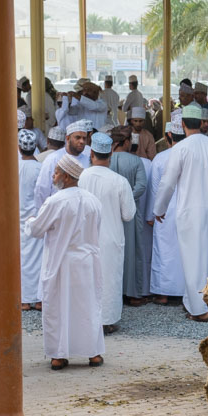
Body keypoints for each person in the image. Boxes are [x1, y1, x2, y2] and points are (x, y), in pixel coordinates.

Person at [23, 155, 106, 369]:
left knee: (58, 308)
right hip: (87, 262)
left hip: (61, 263)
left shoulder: (55, 201)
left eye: (57, 172)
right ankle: (93, 354)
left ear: (67, 177)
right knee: (88, 307)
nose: (53, 175)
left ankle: (58, 356)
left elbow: (36, 230)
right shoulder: (93, 200)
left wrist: (29, 221)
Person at [152, 104, 208, 322]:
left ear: (183, 124)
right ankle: (193, 302)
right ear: (203, 124)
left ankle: (200, 310)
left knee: (193, 261)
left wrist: (159, 208)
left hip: (190, 210)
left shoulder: (181, 148)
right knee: (203, 260)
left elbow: (167, 183)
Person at [79, 132, 136, 333]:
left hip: (85, 237)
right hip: (111, 238)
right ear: (110, 154)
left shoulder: (81, 177)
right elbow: (128, 214)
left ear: (91, 153)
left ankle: (85, 320)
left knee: (86, 278)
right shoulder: (119, 181)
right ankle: (106, 321)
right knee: (110, 280)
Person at [106, 128, 150, 304]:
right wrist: (125, 200)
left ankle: (111, 294)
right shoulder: (135, 161)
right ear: (125, 142)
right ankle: (132, 294)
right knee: (132, 251)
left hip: (108, 211)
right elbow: (141, 186)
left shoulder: (103, 161)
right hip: (131, 213)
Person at [148, 121, 187, 304]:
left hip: (164, 212)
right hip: (187, 210)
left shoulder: (161, 158)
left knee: (164, 252)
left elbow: (155, 189)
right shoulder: (191, 155)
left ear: (168, 136)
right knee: (185, 252)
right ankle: (186, 291)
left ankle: (163, 293)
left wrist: (152, 214)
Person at [34, 120, 93, 210]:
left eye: (84, 138)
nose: (81, 141)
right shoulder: (53, 159)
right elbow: (42, 189)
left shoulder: (87, 160)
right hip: (56, 212)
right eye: (77, 137)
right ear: (67, 138)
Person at [17, 130, 44, 311]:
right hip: (36, 218)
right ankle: (40, 299)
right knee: (39, 259)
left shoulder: (13, 166)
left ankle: (25, 300)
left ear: (19, 148)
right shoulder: (40, 169)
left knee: (22, 258)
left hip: (17, 218)